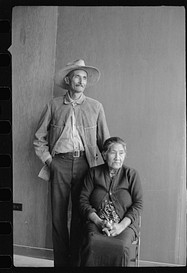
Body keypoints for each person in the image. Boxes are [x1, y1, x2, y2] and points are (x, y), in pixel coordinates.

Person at [33, 59, 110, 267]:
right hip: (59, 164)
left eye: (84, 78)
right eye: (77, 76)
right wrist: (50, 161)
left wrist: (109, 168)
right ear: (68, 80)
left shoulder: (96, 107)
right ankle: (60, 264)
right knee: (58, 217)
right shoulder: (54, 105)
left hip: (87, 166)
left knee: (81, 215)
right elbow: (38, 138)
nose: (81, 81)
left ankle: (75, 263)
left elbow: (105, 143)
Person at [79, 137, 143, 266]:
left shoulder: (131, 174)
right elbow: (83, 201)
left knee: (121, 246)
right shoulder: (93, 173)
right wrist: (98, 222)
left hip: (125, 224)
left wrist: (120, 226)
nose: (117, 157)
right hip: (97, 221)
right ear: (104, 154)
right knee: (92, 242)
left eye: (121, 153)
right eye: (113, 152)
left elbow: (138, 204)